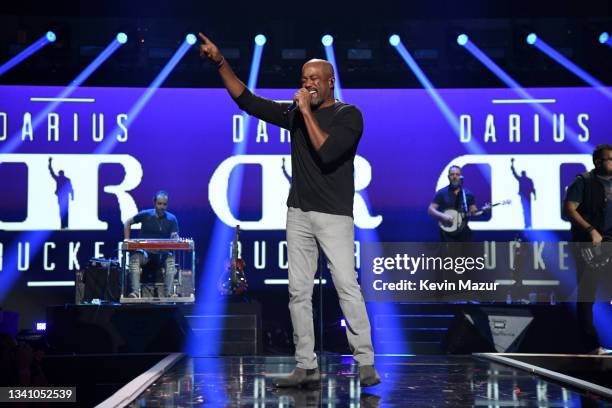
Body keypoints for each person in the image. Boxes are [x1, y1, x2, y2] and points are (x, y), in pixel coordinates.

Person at [198, 33, 380, 388]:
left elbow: (326, 152)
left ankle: (366, 361)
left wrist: (306, 112)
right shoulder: (297, 113)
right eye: (303, 80)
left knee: (347, 287)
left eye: (314, 79)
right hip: (298, 212)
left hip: (334, 215)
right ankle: (305, 365)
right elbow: (247, 101)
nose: (308, 84)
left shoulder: (349, 115)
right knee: (298, 291)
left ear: (330, 83)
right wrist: (221, 63)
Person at [564, 144, 612, 355]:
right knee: (587, 293)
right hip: (589, 242)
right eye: (609, 159)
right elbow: (569, 209)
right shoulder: (583, 181)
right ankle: (590, 345)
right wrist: (590, 230)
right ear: (597, 162)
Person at [123, 190, 179, 298]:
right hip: (146, 254)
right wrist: (127, 239)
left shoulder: (172, 219)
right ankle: (134, 292)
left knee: (171, 260)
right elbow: (127, 222)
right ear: (154, 203)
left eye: (164, 204)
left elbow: (174, 236)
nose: (162, 207)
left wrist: (175, 237)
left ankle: (169, 293)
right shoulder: (146, 215)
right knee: (134, 258)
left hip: (162, 255)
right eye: (159, 204)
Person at [428, 165, 477, 242]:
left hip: (463, 233)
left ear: (461, 177)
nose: (454, 177)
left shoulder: (467, 194)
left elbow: (473, 212)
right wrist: (443, 216)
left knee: (466, 253)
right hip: (447, 233)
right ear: (448, 176)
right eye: (452, 174)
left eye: (457, 174)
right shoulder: (442, 193)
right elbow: (431, 210)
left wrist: (483, 211)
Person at [48, 157, 74, 229]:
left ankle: (65, 225)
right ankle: (63, 225)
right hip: (61, 196)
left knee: (64, 211)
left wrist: (72, 196)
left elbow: (71, 188)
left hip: (64, 197)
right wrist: (49, 163)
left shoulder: (65, 179)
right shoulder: (60, 179)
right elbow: (51, 172)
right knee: (62, 211)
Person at [511, 158, 536, 229]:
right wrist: (512, 164)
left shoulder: (527, 180)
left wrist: (535, 196)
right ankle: (527, 224)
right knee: (525, 210)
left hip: (527, 196)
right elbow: (514, 173)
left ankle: (529, 224)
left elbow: (533, 188)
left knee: (527, 210)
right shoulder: (522, 179)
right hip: (524, 197)